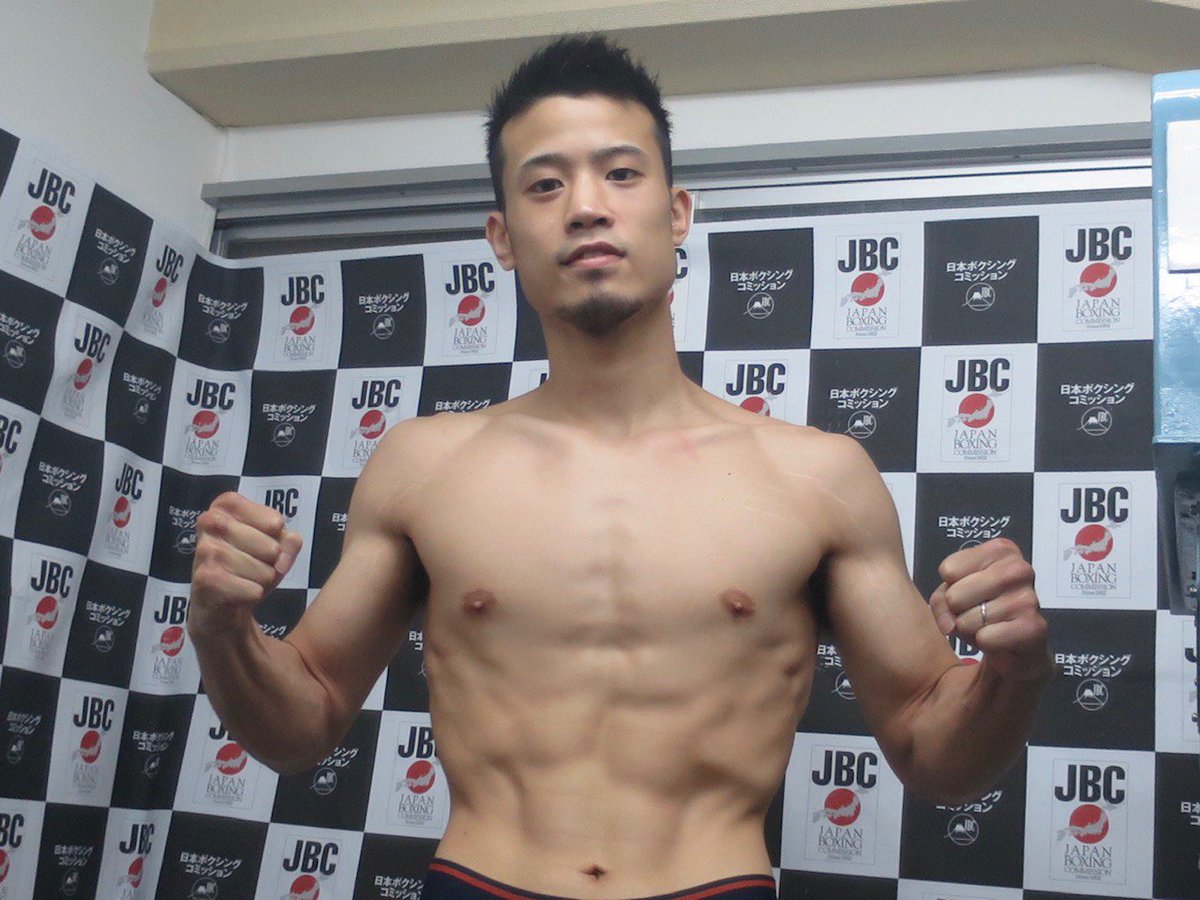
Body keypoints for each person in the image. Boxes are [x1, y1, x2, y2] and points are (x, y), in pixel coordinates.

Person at [188, 34, 1052, 900]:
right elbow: (302, 725)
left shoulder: (818, 478)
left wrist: (1011, 676)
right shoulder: (425, 466)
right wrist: (223, 633)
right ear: (502, 237)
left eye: (621, 173)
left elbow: (936, 756)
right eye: (545, 184)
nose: (586, 207)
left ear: (677, 213)